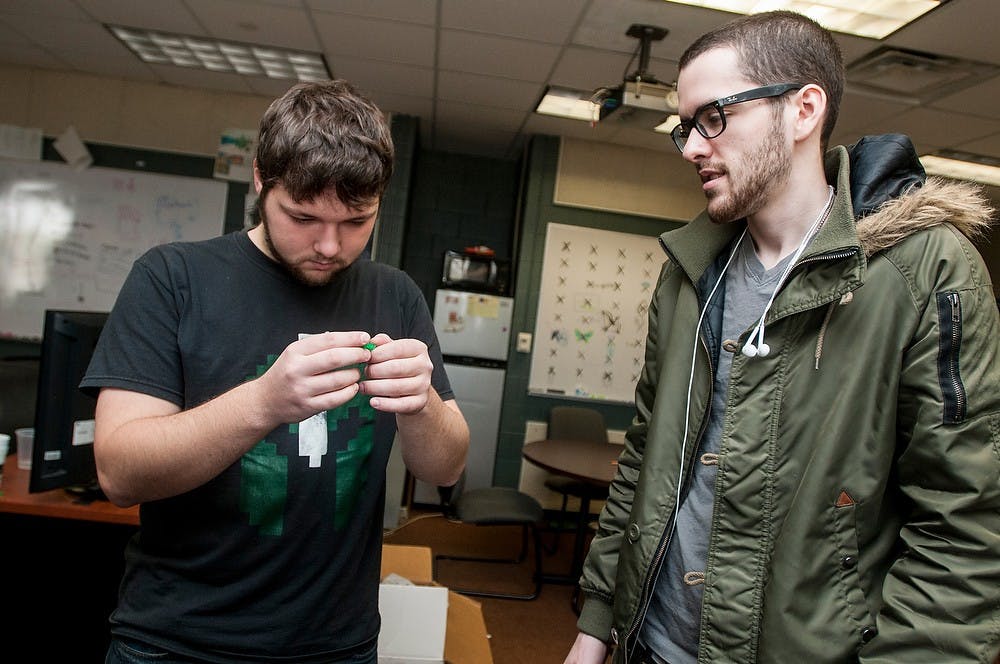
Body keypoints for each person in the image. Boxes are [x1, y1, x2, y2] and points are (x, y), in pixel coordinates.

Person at [565, 10, 1000, 664]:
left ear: (803, 110)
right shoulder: (690, 275)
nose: (690, 146)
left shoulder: (922, 272)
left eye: (714, 117)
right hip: (651, 647)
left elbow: (962, 528)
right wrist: (595, 625)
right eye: (685, 127)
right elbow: (644, 463)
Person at [82, 79, 469, 663]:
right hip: (177, 642)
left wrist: (424, 406)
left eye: (357, 221)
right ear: (262, 178)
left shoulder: (398, 297)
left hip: (336, 645)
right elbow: (118, 473)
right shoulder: (172, 278)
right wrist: (262, 404)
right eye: (303, 217)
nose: (331, 246)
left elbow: (446, 466)